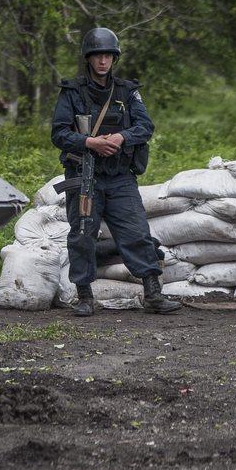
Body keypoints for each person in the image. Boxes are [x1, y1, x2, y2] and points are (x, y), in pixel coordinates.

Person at [51, 27, 181, 317]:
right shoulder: (72, 92)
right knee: (83, 235)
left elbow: (145, 127)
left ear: (114, 58)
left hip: (121, 177)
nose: (102, 62)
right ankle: (84, 296)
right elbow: (58, 133)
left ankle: (153, 294)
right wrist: (89, 142)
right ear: (89, 58)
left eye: (107, 56)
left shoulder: (128, 92)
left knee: (136, 232)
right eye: (97, 56)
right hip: (86, 177)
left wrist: (122, 138)